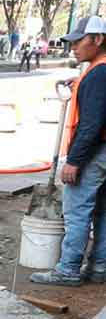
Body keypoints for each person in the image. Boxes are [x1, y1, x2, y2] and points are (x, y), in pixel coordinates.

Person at [31, 17, 106, 286]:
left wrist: (74, 161)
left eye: (79, 41)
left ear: (97, 40)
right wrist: (82, 83)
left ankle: (68, 269)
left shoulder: (99, 74)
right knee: (102, 210)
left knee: (77, 211)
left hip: (95, 152)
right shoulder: (97, 71)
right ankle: (99, 265)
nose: (73, 46)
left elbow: (92, 124)